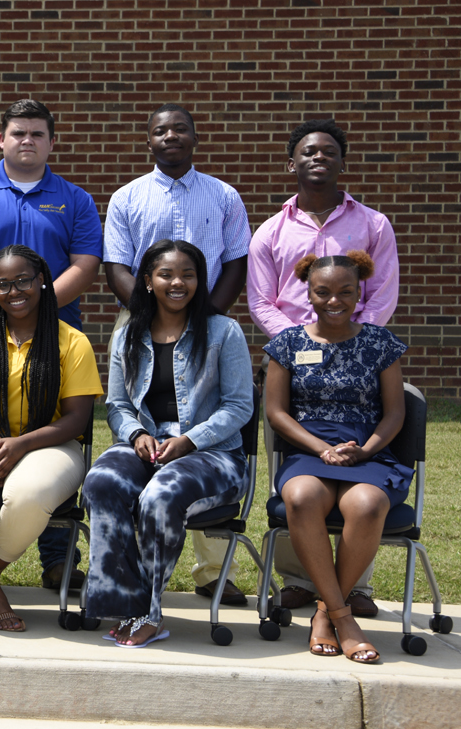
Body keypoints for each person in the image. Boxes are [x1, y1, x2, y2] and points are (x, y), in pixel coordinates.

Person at [0, 99, 102, 591]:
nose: (27, 140)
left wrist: (37, 306)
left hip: (52, 339)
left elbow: (86, 262)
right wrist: (3, 305)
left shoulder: (74, 200)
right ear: (2, 140)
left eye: (37, 133)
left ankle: (57, 561)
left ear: (52, 142)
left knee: (48, 450)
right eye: (18, 132)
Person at [101, 103, 254, 606]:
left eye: (180, 128)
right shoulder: (128, 197)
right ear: (148, 139)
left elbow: (235, 261)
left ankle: (206, 574)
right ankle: (116, 597)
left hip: (206, 323)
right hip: (143, 320)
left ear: (194, 136)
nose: (171, 136)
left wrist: (204, 318)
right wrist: (149, 313)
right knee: (110, 476)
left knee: (176, 479)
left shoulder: (224, 195)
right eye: (161, 130)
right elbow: (118, 266)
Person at [247, 119, 399, 619]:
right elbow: (262, 299)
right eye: (308, 152)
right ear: (292, 163)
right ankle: (298, 580)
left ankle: (352, 588)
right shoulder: (272, 230)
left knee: (362, 489)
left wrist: (354, 343)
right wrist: (295, 345)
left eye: (329, 151)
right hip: (294, 359)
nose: (318, 158)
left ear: (341, 161)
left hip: (358, 356)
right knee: (297, 478)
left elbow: (380, 295)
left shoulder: (374, 225)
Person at [83, 240, 254, 647]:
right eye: (166, 274)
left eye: (188, 275)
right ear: (147, 281)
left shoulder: (223, 331)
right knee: (102, 481)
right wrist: (137, 435)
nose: (178, 283)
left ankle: (150, 612)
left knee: (160, 495)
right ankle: (124, 603)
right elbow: (118, 405)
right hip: (146, 442)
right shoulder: (128, 334)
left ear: (201, 281)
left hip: (213, 455)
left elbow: (239, 405)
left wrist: (190, 440)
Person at [0, 245, 101, 632]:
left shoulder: (71, 341)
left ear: (42, 280)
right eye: (3, 285)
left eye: (24, 280)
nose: (15, 291)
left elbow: (78, 419)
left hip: (53, 444)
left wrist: (22, 444)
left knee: (28, 493)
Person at [264, 251, 408, 664]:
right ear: (307, 292)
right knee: (303, 498)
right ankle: (346, 619)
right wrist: (320, 448)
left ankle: (327, 613)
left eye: (345, 291)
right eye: (323, 291)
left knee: (367, 504)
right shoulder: (287, 343)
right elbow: (276, 412)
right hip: (309, 449)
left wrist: (367, 449)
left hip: (367, 450)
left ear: (359, 290)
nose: (334, 300)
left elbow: (396, 412)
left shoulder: (381, 343)